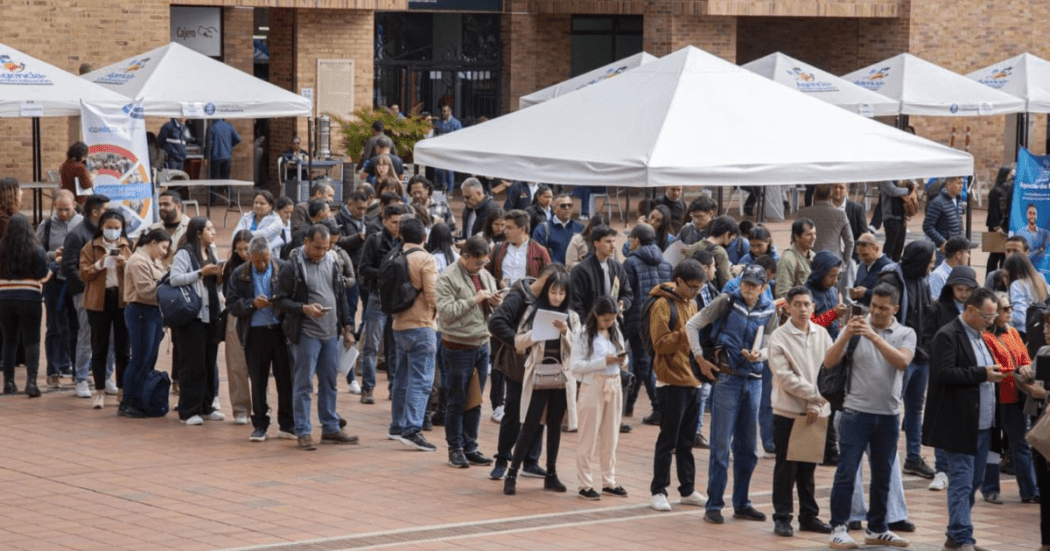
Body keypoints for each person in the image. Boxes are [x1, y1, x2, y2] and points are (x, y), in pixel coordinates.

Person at [825, 284, 915, 550]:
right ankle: (838, 527)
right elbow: (829, 362)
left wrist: (874, 337)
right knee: (846, 472)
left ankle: (877, 527)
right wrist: (845, 335)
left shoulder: (905, 333)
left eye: (883, 308)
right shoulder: (854, 328)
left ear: (895, 309)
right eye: (873, 305)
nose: (875, 312)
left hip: (888, 415)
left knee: (883, 474)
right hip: (855, 413)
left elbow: (902, 362)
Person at [688, 264, 778, 524]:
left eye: (754, 284)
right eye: (745, 282)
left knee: (748, 449)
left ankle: (742, 502)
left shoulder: (769, 309)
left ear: (763, 287)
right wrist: (700, 359)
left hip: (754, 380)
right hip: (727, 379)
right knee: (719, 446)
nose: (748, 288)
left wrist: (760, 354)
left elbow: (771, 341)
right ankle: (714, 504)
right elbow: (692, 325)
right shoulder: (726, 301)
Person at [924, 288, 1007, 551]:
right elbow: (944, 373)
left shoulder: (982, 337)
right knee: (961, 481)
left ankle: (955, 535)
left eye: (993, 316)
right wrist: (982, 373)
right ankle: (962, 537)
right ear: (969, 310)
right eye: (987, 316)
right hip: (959, 423)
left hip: (983, 426)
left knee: (974, 482)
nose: (991, 321)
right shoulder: (948, 335)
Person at [276, 223, 357, 449]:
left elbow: (340, 296)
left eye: (325, 248)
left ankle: (330, 428)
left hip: (330, 332)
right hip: (306, 333)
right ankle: (303, 430)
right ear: (306, 242)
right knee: (304, 384)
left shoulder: (331, 261)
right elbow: (280, 301)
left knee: (330, 382)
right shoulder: (292, 266)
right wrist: (304, 308)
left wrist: (347, 328)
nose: (321, 253)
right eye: (317, 248)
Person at [503, 270, 578, 495]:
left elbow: (579, 349)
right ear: (546, 291)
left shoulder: (572, 316)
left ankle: (552, 474)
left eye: (561, 293)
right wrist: (536, 334)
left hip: (561, 375)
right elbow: (518, 342)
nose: (557, 297)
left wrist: (565, 332)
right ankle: (512, 473)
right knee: (530, 423)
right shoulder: (533, 311)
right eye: (553, 292)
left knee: (555, 425)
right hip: (538, 372)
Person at [767, 286, 833, 537]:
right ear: (787, 308)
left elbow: (829, 369)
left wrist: (817, 404)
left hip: (816, 412)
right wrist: (815, 398)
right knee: (786, 467)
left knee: (808, 467)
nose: (803, 309)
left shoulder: (822, 334)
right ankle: (782, 517)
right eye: (797, 304)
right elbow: (785, 378)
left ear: (813, 307)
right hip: (789, 412)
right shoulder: (779, 337)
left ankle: (809, 516)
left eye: (807, 304)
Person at [646, 259, 708, 512]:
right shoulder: (662, 304)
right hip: (670, 381)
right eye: (692, 287)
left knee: (687, 440)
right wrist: (688, 332)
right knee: (667, 439)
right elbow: (660, 343)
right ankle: (658, 490)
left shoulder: (692, 303)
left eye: (700, 288)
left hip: (693, 379)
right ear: (679, 281)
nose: (696, 292)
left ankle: (687, 489)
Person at [436, 235, 500, 469]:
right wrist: (474, 299)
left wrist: (495, 301)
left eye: (484, 263)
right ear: (464, 256)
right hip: (457, 346)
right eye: (477, 262)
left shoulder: (484, 275)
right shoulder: (447, 277)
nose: (481, 267)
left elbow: (493, 302)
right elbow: (446, 312)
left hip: (482, 343)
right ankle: (455, 448)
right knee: (456, 399)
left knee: (475, 399)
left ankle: (470, 445)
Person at [226, 236, 294, 442]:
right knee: (258, 380)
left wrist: (280, 302)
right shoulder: (240, 274)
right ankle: (260, 424)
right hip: (255, 332)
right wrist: (251, 304)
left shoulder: (283, 268)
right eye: (258, 261)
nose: (262, 264)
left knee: (286, 379)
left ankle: (287, 424)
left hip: (280, 330)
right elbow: (231, 303)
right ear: (250, 257)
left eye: (265, 259)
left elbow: (295, 295)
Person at [983, 291, 1040, 504]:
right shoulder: (986, 337)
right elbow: (995, 365)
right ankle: (990, 488)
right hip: (995, 394)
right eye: (1005, 309)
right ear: (994, 312)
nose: (1010, 312)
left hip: (1015, 396)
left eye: (1010, 308)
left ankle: (1030, 490)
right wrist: (1017, 369)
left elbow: (1025, 358)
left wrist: (1024, 367)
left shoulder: (1013, 332)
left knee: (1021, 443)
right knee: (993, 444)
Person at [389, 216, 440, 452]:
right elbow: (433, 295)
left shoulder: (393, 256)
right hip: (422, 324)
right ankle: (412, 428)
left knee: (401, 378)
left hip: (399, 324)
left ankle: (397, 425)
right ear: (424, 237)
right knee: (421, 380)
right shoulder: (425, 259)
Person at [169, 217, 225, 426]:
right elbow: (174, 278)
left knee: (209, 362)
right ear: (199, 232)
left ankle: (207, 406)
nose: (214, 232)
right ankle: (188, 409)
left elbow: (215, 286)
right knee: (193, 364)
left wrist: (219, 276)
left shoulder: (212, 252)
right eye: (209, 229)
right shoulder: (185, 253)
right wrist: (201, 272)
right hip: (192, 315)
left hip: (211, 313)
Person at [572, 295, 629, 500]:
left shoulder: (615, 332)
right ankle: (584, 484)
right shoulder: (583, 334)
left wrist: (622, 360)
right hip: (593, 384)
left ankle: (609, 481)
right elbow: (576, 366)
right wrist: (603, 361)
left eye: (613, 318)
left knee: (611, 436)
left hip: (614, 383)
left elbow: (624, 356)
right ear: (596, 314)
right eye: (606, 319)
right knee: (587, 437)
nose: (610, 322)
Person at [79, 210, 132, 410]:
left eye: (116, 228)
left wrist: (125, 264)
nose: (113, 231)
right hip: (98, 302)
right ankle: (99, 391)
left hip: (121, 300)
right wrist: (99, 264)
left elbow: (137, 271)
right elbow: (83, 274)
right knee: (99, 347)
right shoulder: (91, 247)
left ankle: (122, 391)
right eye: (109, 227)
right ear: (101, 227)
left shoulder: (128, 246)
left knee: (123, 349)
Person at [623, 223, 672, 426]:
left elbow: (626, 293)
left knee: (643, 364)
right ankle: (631, 404)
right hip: (660, 320)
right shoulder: (666, 263)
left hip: (637, 320)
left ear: (636, 240)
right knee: (650, 364)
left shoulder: (631, 263)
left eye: (630, 238)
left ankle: (659, 407)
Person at [62, 194, 110, 399]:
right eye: (106, 209)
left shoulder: (105, 233)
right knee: (87, 334)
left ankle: (105, 376)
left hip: (107, 290)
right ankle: (81, 378)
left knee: (110, 335)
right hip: (84, 293)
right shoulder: (77, 234)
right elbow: (69, 267)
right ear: (95, 212)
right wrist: (86, 287)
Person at [357, 204, 406, 404]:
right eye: (394, 222)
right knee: (371, 344)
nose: (397, 226)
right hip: (377, 297)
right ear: (384, 221)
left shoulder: (405, 242)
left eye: (400, 222)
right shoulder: (374, 240)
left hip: (397, 300)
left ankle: (394, 387)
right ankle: (368, 387)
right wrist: (386, 275)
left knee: (395, 345)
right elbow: (364, 268)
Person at [119, 228, 170, 417]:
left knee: (149, 358)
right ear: (154, 242)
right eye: (163, 247)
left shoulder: (153, 261)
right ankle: (128, 401)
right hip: (140, 311)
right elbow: (146, 291)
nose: (164, 252)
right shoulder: (138, 260)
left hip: (153, 312)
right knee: (140, 358)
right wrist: (167, 283)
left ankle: (141, 398)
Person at [0, 215, 49, 397]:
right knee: (31, 340)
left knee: (9, 340)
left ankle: (9, 382)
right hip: (29, 298)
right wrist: (55, 266)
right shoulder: (35, 249)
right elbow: (44, 276)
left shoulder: (1, 248)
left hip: (4, 298)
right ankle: (31, 383)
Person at [38, 189, 82, 387]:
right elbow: (37, 252)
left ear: (74, 204)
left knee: (77, 326)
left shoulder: (82, 223)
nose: (63, 213)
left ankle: (76, 369)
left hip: (75, 280)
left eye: (67, 209)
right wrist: (51, 255)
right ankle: (53, 370)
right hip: (55, 281)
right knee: (54, 327)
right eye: (59, 209)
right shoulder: (46, 225)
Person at [221, 230, 254, 426]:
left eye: (246, 249)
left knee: (259, 365)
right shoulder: (230, 268)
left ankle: (261, 406)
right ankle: (240, 408)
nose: (243, 253)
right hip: (235, 316)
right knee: (236, 365)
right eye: (239, 249)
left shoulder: (264, 263)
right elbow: (228, 296)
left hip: (258, 315)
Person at [489, 210, 551, 289]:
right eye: (505, 228)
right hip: (503, 298)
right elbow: (485, 274)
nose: (505, 231)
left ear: (522, 229)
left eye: (509, 228)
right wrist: (498, 283)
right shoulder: (498, 248)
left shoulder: (540, 251)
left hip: (529, 299)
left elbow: (548, 278)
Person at [797, 184, 854, 266]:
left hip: (809, 262)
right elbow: (850, 242)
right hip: (834, 262)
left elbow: (796, 239)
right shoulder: (841, 214)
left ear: (814, 196)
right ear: (830, 197)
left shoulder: (803, 213)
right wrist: (845, 262)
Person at [685, 215, 738, 290]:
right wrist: (735, 272)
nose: (732, 239)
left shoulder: (694, 246)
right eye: (732, 236)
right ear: (727, 234)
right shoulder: (720, 252)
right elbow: (726, 281)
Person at [1004, 253, 1050, 336]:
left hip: (1023, 331)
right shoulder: (1040, 278)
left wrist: (1005, 317)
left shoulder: (1017, 285)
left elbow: (1020, 315)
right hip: (1040, 327)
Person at [806, 251, 846, 339]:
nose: (835, 281)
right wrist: (834, 314)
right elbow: (810, 325)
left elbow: (838, 322)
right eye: (832, 276)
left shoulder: (834, 291)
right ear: (820, 274)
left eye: (837, 277)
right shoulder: (806, 294)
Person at [924, 176, 965, 263]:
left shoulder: (958, 200)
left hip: (955, 249)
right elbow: (927, 226)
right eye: (958, 183)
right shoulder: (938, 202)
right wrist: (942, 242)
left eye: (962, 183)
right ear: (949, 184)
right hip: (942, 252)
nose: (961, 186)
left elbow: (959, 223)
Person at [775, 218, 816, 298]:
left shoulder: (813, 256)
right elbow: (782, 294)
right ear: (797, 236)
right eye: (808, 235)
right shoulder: (788, 259)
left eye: (814, 234)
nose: (813, 237)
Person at [849, 234, 892, 306]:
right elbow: (857, 285)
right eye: (859, 255)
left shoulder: (888, 268)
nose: (861, 258)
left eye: (865, 255)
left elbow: (889, 296)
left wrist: (866, 293)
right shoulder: (863, 265)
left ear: (876, 249)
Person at [929, 236, 978, 301]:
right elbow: (934, 305)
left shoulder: (965, 273)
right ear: (958, 255)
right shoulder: (938, 276)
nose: (969, 256)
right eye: (966, 252)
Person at [205, 117, 241, 203]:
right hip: (227, 156)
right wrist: (230, 145)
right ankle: (231, 199)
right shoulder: (229, 126)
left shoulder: (212, 127)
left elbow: (209, 144)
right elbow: (238, 139)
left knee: (213, 180)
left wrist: (206, 156)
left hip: (215, 157)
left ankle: (212, 201)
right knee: (226, 178)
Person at [150, 190, 188, 268]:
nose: (161, 208)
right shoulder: (153, 230)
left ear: (179, 207)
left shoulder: (191, 228)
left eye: (166, 204)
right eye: (160, 205)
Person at [986, 167, 1014, 273]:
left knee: (1004, 255)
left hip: (1004, 227)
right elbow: (993, 211)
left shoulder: (1006, 189)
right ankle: (990, 277)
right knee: (994, 255)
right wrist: (997, 227)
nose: (1011, 177)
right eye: (1010, 174)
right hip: (996, 227)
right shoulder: (995, 191)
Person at [879, 180, 914, 262]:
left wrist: (910, 185)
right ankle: (885, 263)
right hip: (890, 216)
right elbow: (893, 191)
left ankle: (896, 263)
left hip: (901, 215)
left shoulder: (900, 177)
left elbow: (910, 184)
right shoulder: (885, 180)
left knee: (900, 244)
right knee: (891, 243)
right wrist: (908, 189)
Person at [432, 104, 462, 193]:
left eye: (445, 111)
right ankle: (443, 184)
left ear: (450, 112)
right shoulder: (438, 122)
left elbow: (460, 135)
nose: (443, 113)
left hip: (450, 149)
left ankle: (450, 189)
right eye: (442, 111)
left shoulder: (456, 123)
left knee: (449, 170)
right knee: (437, 169)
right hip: (440, 149)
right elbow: (435, 133)